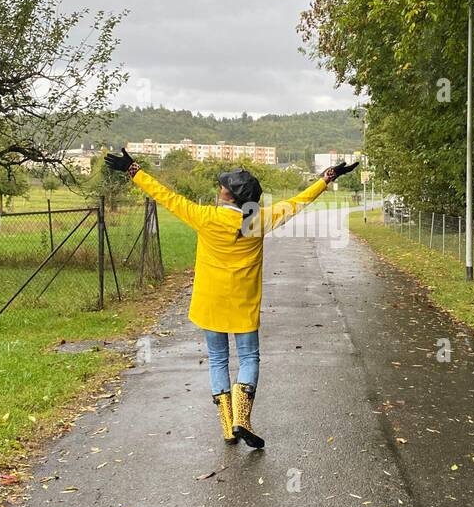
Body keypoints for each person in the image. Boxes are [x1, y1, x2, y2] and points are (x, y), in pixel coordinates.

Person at [104, 151, 358, 447]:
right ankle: (242, 419)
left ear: (229, 196)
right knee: (249, 357)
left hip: (210, 303)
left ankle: (228, 427)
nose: (219, 188)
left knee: (217, 359)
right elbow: (297, 203)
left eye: (223, 186)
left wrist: (134, 170)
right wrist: (326, 179)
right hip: (243, 304)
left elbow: (165, 196)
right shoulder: (259, 221)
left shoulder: (205, 217)